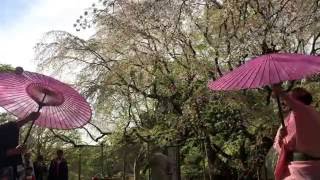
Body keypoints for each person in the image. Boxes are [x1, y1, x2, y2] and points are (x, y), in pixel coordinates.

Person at [272, 85, 320, 179]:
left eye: (292, 95)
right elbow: (277, 147)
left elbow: (296, 106)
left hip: (310, 168)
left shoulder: (309, 111)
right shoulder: (287, 119)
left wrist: (280, 92)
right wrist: (281, 137)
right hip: (292, 169)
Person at [0, 112, 40, 179]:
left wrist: (29, 118)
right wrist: (13, 151)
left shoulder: (4, 128)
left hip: (14, 167)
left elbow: (12, 126)